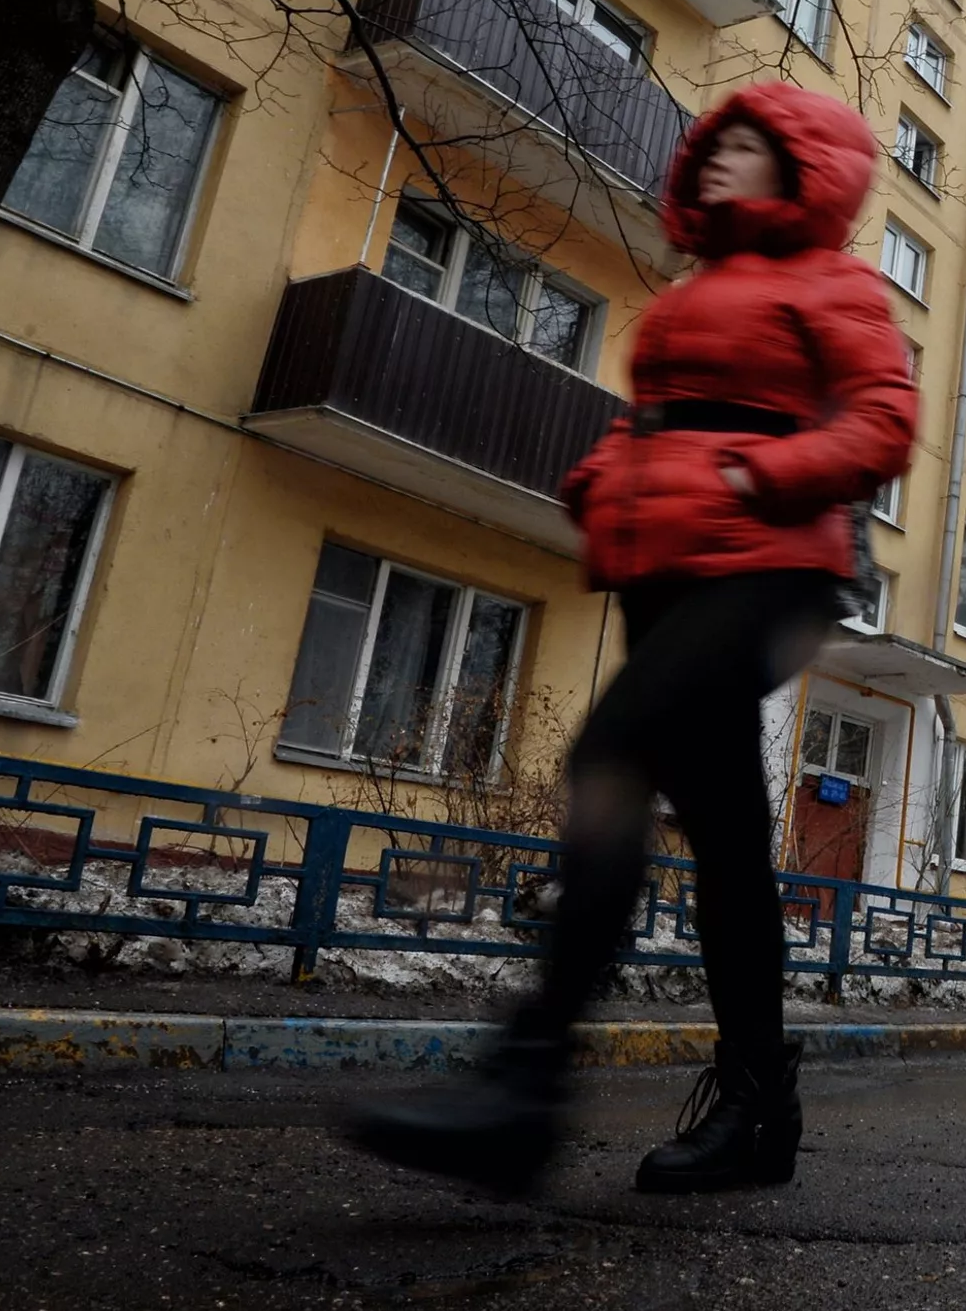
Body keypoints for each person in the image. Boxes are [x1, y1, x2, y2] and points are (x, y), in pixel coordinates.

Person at [346, 83, 917, 1198]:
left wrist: (762, 473)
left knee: (609, 760)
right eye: (712, 145)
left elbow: (883, 422)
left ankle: (526, 1084)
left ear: (801, 168)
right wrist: (606, 473)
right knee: (729, 847)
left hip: (769, 568)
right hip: (668, 570)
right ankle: (758, 1113)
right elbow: (661, 415)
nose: (715, 159)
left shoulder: (836, 281)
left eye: (744, 146)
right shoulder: (700, 287)